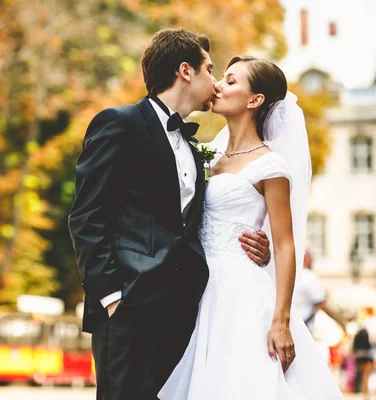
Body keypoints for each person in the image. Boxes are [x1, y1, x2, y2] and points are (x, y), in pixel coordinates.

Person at [68, 29, 271, 400]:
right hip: (127, 307)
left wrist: (260, 245)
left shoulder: (195, 149)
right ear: (185, 71)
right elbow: (87, 216)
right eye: (209, 69)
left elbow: (205, 221)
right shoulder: (119, 124)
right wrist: (112, 297)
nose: (215, 80)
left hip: (183, 311)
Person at [158, 57, 343, 399]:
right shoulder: (205, 154)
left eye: (230, 81)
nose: (217, 86)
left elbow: (286, 246)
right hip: (195, 285)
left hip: (238, 292)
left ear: (254, 100)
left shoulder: (270, 165)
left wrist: (281, 320)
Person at [293, 249, 346, 333]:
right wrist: (340, 322)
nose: (312, 261)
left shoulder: (293, 275)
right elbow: (321, 304)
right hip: (304, 326)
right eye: (311, 257)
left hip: (291, 324)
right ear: (306, 258)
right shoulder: (309, 276)